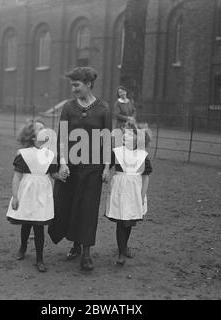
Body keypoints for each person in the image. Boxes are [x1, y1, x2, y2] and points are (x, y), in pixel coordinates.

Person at [48, 67, 112, 271]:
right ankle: (74, 243)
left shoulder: (103, 109)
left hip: (93, 168)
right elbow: (63, 137)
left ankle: (86, 253)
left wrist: (107, 167)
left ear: (88, 84)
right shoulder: (68, 108)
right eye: (72, 85)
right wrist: (64, 162)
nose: (73, 89)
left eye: (76, 85)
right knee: (69, 204)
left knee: (88, 209)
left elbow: (108, 140)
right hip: (72, 167)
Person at [6, 119, 64, 272]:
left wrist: (61, 176)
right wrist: (15, 196)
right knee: (27, 223)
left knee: (39, 226)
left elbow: (53, 174)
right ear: (33, 137)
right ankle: (23, 247)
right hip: (27, 192)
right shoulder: (24, 154)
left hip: (43, 193)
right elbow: (17, 177)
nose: (45, 131)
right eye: (40, 129)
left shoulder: (49, 154)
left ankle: (40, 258)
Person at [105, 121, 152, 266]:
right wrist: (106, 170)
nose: (125, 136)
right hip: (120, 189)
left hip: (135, 190)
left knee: (129, 221)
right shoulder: (117, 152)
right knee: (121, 221)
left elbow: (146, 177)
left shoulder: (142, 155)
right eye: (123, 133)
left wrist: (143, 194)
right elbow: (107, 162)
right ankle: (120, 253)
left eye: (129, 134)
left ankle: (124, 247)